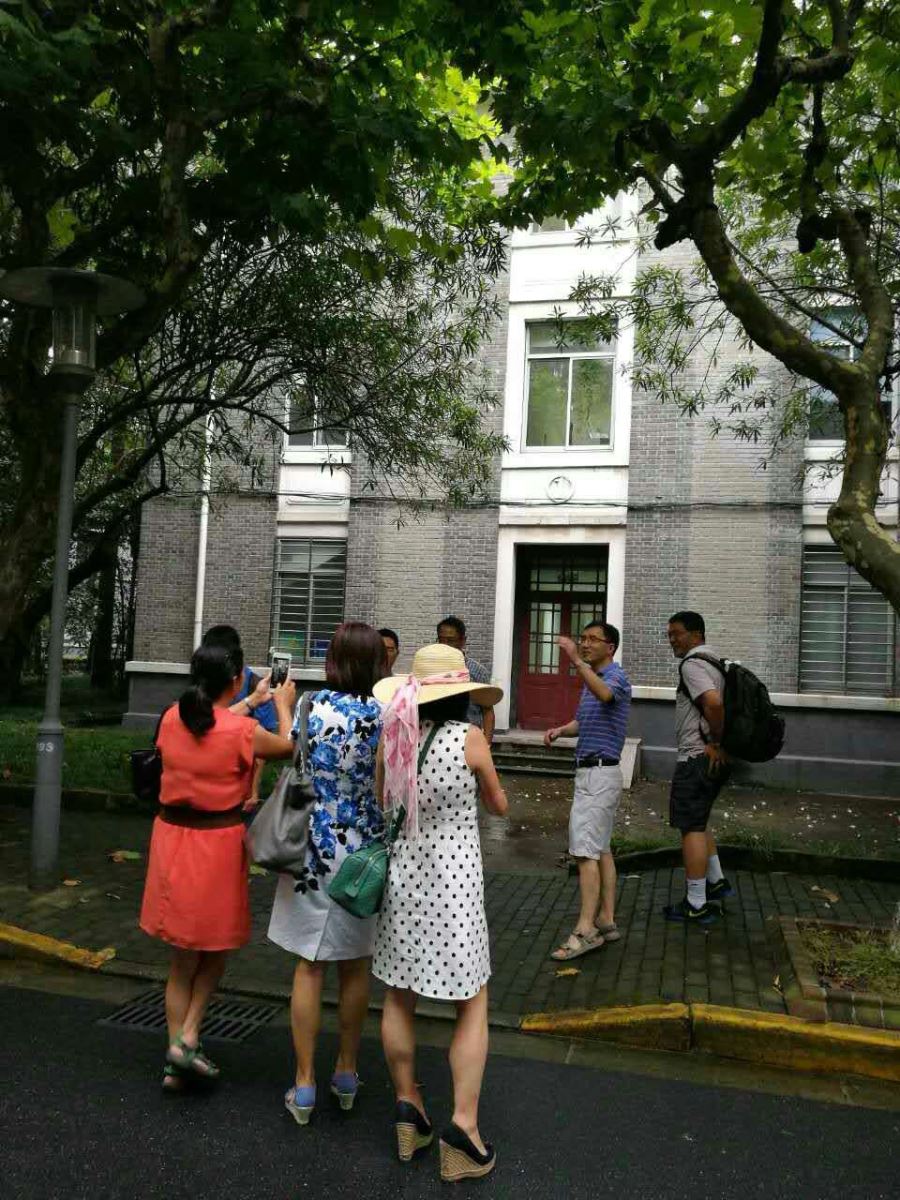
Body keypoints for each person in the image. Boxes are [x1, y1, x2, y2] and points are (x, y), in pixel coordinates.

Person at [372, 643, 507, 1183]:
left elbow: (383, 799)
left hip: (404, 879)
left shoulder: (394, 738)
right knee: (471, 1001)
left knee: (398, 995)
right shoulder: (469, 738)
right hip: (454, 886)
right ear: (460, 696)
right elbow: (498, 804)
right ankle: (464, 1129)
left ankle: (408, 1107)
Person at [139, 642, 295, 1091]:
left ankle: (176, 1056)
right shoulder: (243, 733)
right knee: (215, 948)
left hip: (171, 838)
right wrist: (282, 704)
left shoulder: (173, 717)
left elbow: (209, 721)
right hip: (217, 845)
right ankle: (188, 1036)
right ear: (236, 679)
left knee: (181, 957)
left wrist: (253, 701)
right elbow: (288, 747)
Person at [267, 622, 387, 1125]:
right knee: (355, 966)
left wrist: (281, 706)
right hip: (364, 853)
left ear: (334, 660)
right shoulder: (385, 714)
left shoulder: (310, 706)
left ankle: (304, 1084)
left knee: (309, 965)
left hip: (311, 849)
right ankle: (346, 1072)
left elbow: (289, 752)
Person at [543, 622, 631, 960]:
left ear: (611, 647)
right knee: (601, 849)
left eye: (593, 639)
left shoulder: (615, 677)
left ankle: (585, 930)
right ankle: (606, 920)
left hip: (598, 775)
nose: (584, 643)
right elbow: (586, 720)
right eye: (582, 639)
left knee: (584, 853)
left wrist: (576, 662)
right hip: (593, 773)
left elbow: (606, 695)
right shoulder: (593, 679)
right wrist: (561, 730)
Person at [664, 611, 732, 925]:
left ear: (696, 634)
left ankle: (696, 903)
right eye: (669, 634)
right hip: (710, 758)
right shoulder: (715, 660)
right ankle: (716, 881)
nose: (672, 640)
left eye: (677, 633)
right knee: (699, 820)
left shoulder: (693, 664)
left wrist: (715, 741)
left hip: (696, 757)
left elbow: (714, 703)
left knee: (690, 826)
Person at [201, 624, 278, 810]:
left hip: (231, 791)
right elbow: (284, 747)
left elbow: (261, 753)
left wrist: (253, 791)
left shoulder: (174, 715)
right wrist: (282, 704)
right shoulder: (200, 694)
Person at [436, 616, 495, 743]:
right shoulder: (431, 671)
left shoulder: (477, 672)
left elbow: (487, 711)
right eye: (441, 640)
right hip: (437, 741)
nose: (445, 646)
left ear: (463, 641)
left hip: (469, 740)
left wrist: (486, 744)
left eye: (450, 640)